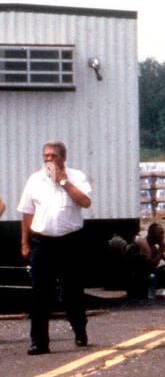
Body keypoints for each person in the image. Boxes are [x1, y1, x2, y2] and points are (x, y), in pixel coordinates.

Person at [17, 142, 93, 355]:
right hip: (43, 242)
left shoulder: (76, 177)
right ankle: (39, 342)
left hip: (70, 241)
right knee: (40, 293)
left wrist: (63, 181)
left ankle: (79, 328)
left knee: (72, 292)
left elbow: (85, 202)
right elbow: (26, 212)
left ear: (62, 158)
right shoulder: (35, 180)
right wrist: (24, 242)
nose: (48, 160)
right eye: (45, 156)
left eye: (53, 156)